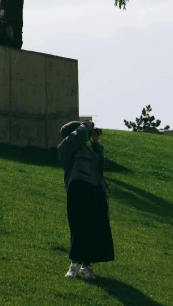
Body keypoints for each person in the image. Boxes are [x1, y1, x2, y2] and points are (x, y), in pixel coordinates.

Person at [57, 119, 115, 279]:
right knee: (79, 226)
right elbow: (78, 135)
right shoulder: (66, 147)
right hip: (79, 188)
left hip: (96, 189)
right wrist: (88, 124)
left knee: (93, 228)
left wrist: (96, 143)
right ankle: (74, 265)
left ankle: (86, 267)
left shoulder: (88, 150)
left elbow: (100, 166)